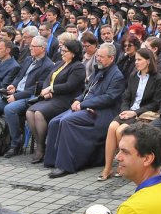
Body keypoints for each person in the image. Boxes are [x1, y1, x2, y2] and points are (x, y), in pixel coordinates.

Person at [44, 42, 126, 177]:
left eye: (101, 57)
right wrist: (78, 100)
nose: (98, 58)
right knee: (54, 122)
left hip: (101, 113)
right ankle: (53, 160)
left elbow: (108, 98)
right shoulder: (98, 69)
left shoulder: (116, 76)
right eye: (98, 56)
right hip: (86, 107)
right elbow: (87, 91)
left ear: (111, 58)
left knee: (67, 121)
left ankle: (66, 165)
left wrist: (84, 104)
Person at [0, 36, 55, 157]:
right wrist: (13, 85)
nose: (30, 48)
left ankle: (15, 143)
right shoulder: (29, 59)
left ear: (43, 48)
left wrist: (17, 96)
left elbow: (36, 89)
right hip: (16, 92)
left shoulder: (48, 65)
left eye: (33, 46)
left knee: (10, 109)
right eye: (31, 46)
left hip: (28, 97)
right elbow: (19, 77)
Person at [98, 46, 161, 179]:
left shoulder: (157, 78)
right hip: (128, 111)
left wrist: (135, 112)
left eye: (139, 59)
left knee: (121, 130)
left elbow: (156, 103)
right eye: (136, 60)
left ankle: (125, 166)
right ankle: (108, 167)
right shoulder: (133, 76)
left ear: (148, 61)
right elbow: (126, 97)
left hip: (142, 113)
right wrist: (125, 110)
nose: (136, 62)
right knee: (112, 127)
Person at [26, 38, 86, 163]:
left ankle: (42, 148)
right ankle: (40, 144)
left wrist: (51, 89)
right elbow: (48, 79)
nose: (62, 53)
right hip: (51, 97)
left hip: (66, 99)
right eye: (62, 50)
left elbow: (70, 85)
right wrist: (46, 90)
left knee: (38, 114)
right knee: (29, 113)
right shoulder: (59, 63)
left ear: (73, 53)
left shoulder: (78, 67)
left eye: (65, 51)